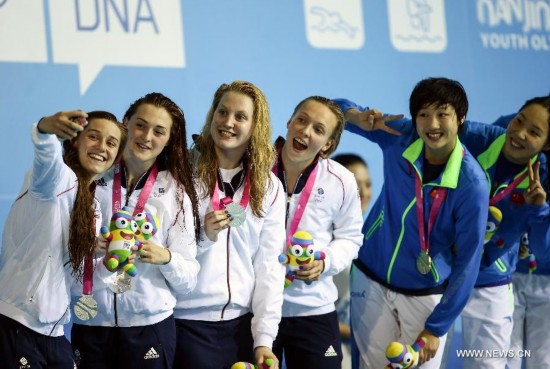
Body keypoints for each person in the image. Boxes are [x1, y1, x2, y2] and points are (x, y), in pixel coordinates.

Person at [334, 77, 490, 368]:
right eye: (424, 115)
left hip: (424, 292)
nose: (432, 125)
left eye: (443, 114)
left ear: (461, 119)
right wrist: (355, 116)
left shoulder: (472, 184)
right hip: (371, 276)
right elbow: (333, 110)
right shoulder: (400, 134)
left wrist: (436, 327)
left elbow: (468, 261)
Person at [70, 93, 201, 369]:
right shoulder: (90, 177)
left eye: (159, 131)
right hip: (91, 321)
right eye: (140, 125)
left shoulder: (175, 193)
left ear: (169, 139)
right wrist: (87, 249)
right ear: (125, 124)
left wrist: (166, 257)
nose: (146, 136)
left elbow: (189, 280)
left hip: (148, 326)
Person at [173, 81, 286, 369]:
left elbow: (269, 267)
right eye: (222, 112)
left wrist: (263, 339)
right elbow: (166, 251)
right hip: (186, 323)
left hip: (242, 327)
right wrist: (203, 236)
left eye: (240, 117)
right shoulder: (182, 172)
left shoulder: (268, 185)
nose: (228, 122)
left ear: (255, 127)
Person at [0, 110, 126, 369]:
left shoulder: (92, 208)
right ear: (74, 140)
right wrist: (45, 128)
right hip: (17, 325)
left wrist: (110, 264)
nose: (102, 147)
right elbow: (47, 156)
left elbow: (77, 284)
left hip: (55, 334)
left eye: (111, 143)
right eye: (93, 136)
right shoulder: (56, 180)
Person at [455, 95, 550, 369]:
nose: (520, 133)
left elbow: (544, 253)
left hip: (501, 276)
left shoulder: (542, 173)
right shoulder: (490, 136)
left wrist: (540, 210)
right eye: (519, 122)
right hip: (453, 267)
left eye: (534, 133)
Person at [271, 96, 364, 369]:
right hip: (257, 306)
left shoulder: (341, 180)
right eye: (301, 120)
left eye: (318, 129)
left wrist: (326, 263)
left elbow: (351, 237)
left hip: (313, 309)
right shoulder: (256, 167)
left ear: (327, 146)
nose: (305, 130)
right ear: (289, 122)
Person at [332, 153, 371, 369]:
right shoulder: (323, 246)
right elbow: (305, 313)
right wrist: (358, 334)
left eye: (368, 184)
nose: (364, 192)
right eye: (356, 185)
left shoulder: (369, 239)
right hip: (327, 354)